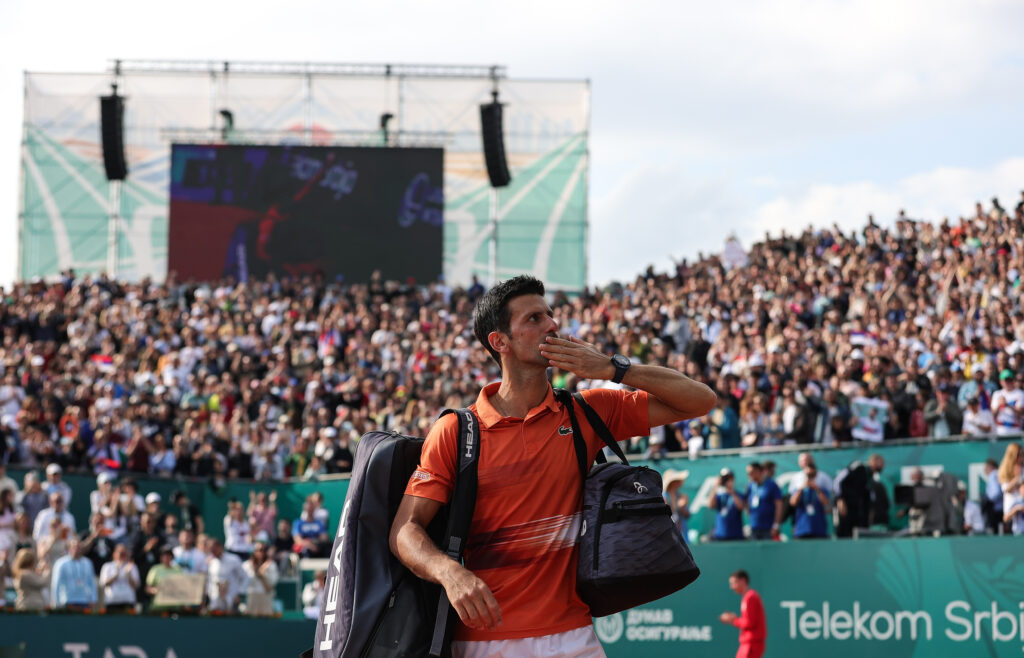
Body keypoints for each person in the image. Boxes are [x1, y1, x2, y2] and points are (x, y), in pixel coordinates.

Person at [389, 275, 715, 656]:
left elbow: (699, 401)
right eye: (534, 319)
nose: (552, 325)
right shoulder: (457, 431)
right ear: (500, 342)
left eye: (550, 315)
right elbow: (404, 531)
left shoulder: (586, 411)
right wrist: (450, 573)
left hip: (575, 637)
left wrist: (614, 369)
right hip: (485, 643)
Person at [718, 569, 766, 658]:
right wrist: (734, 619)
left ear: (743, 581)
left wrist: (732, 620)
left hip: (751, 643)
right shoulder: (748, 597)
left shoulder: (751, 596)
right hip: (748, 643)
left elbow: (750, 622)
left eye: (734, 583)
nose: (732, 587)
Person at [50, 537, 98, 609]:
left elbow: (91, 582)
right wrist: (56, 601)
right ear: (69, 548)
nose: (77, 550)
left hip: (84, 600)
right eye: (74, 547)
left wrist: (93, 599)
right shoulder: (61, 563)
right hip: (67, 601)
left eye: (79, 547)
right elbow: (56, 583)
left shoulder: (88, 563)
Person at [790, 462, 831, 539]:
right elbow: (793, 503)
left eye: (812, 475)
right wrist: (801, 489)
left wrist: (816, 488)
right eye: (808, 475)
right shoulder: (799, 489)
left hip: (819, 529)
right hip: (801, 529)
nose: (810, 477)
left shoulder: (821, 489)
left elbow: (826, 502)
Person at [206, 538, 247, 613]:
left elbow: (244, 577)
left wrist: (240, 594)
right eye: (211, 550)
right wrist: (210, 596)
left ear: (220, 547)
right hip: (215, 602)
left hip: (232, 600)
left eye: (214, 550)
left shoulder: (234, 559)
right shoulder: (210, 562)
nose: (213, 553)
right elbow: (209, 582)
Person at [744, 462, 782, 540]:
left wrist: (776, 525)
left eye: (750, 473)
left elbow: (779, 506)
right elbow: (747, 503)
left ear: (758, 471)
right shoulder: (750, 486)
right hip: (754, 527)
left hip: (769, 528)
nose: (748, 475)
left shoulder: (771, 485)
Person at [241, 540, 278, 616]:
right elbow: (243, 583)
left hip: (266, 597)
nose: (260, 552)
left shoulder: (271, 565)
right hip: (251, 597)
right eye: (258, 550)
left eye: (263, 550)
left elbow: (272, 584)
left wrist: (262, 576)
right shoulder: (246, 565)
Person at [99, 543, 140, 611]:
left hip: (128, 601)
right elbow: (103, 584)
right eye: (120, 553)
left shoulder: (132, 566)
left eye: (124, 553)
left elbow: (136, 586)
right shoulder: (107, 566)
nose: (122, 555)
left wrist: (129, 575)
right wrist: (116, 574)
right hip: (112, 601)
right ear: (114, 554)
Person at [992, 371, 1024, 436]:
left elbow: (1020, 412)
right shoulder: (997, 394)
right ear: (1001, 382)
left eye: (1010, 380)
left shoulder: (1020, 393)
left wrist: (1007, 405)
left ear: (1014, 381)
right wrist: (999, 405)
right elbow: (993, 414)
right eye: (1006, 380)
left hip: (1015, 429)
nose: (1008, 383)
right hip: (1000, 429)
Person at [982, 458, 1003, 534]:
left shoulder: (993, 475)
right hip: (1000, 510)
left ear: (990, 467)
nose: (985, 470)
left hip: (995, 511)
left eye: (986, 468)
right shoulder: (1000, 474)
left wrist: (988, 499)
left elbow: (996, 493)